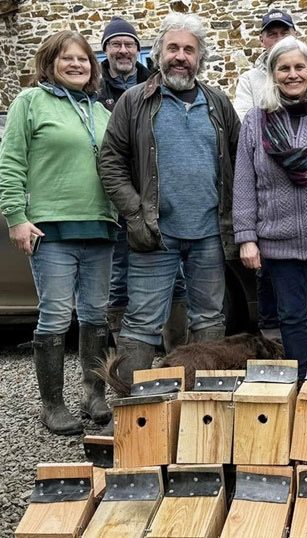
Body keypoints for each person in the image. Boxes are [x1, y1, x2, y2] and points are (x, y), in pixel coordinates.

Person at [100, 13, 241, 387]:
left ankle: (202, 400)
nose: (180, 56)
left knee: (210, 317)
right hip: (154, 234)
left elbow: (240, 158)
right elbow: (110, 161)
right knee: (143, 321)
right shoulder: (134, 101)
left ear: (200, 57)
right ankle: (132, 403)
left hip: (209, 233)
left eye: (189, 50)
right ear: (159, 53)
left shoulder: (218, 103)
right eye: (173, 48)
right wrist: (135, 213)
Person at [0, 31, 116, 434]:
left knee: (95, 314)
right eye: (67, 58)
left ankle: (93, 394)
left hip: (100, 226)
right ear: (50, 63)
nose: (76, 65)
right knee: (54, 315)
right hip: (50, 228)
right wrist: (16, 217)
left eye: (83, 59)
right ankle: (52, 404)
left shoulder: (100, 111)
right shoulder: (29, 102)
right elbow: (11, 161)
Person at [233, 36, 307, 380]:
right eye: (284, 68)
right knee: (290, 317)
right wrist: (247, 237)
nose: (292, 74)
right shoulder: (256, 120)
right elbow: (244, 181)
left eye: (300, 66)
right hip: (278, 242)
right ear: (273, 74)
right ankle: (300, 384)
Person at [97, 17, 188, 351]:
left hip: (160, 201)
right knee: (120, 277)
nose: (123, 50)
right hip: (121, 201)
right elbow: (110, 155)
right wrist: (130, 204)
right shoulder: (95, 90)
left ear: (139, 50)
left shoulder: (156, 82)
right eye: (116, 44)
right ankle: (124, 353)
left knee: (176, 277)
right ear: (105, 50)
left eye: (129, 44)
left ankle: (175, 351)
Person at [233, 7, 299, 342]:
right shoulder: (249, 80)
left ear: (294, 35)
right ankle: (272, 346)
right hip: (268, 188)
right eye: (271, 33)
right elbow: (246, 124)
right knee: (270, 278)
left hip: (306, 188)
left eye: (283, 32)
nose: (278, 38)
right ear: (262, 40)